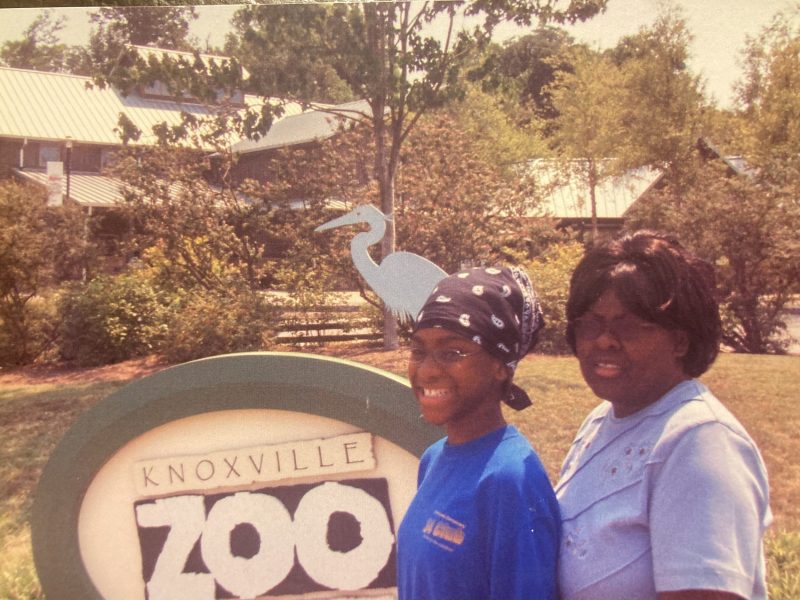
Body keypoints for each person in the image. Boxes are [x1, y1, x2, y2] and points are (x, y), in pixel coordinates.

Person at [556, 230, 771, 600]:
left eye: (628, 325)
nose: (605, 340)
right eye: (591, 324)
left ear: (681, 340)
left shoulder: (701, 443)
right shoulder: (599, 421)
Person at [396, 265, 560, 600]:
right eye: (418, 350)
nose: (426, 370)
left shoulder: (510, 479)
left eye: (451, 353)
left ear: (501, 365)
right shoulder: (434, 459)